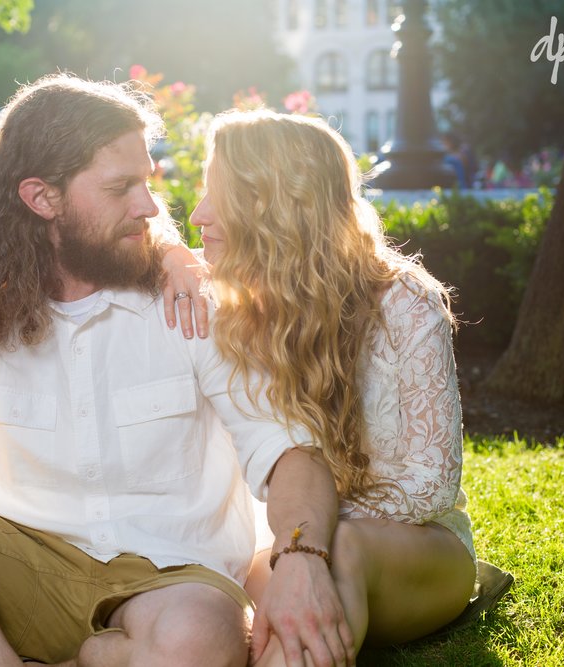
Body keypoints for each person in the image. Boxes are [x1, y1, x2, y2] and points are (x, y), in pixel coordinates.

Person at [0, 76, 343, 667]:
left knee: (199, 634)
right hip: (20, 580)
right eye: (120, 188)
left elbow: (289, 450)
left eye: (146, 182)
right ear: (42, 198)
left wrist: (302, 560)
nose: (151, 206)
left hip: (173, 586)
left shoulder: (190, 304)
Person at [189, 109, 482, 665]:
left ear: (276, 205)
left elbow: (432, 484)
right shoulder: (228, 310)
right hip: (286, 545)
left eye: (217, 194)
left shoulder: (402, 302)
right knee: (229, 597)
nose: (198, 214)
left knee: (333, 554)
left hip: (416, 551)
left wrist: (313, 534)